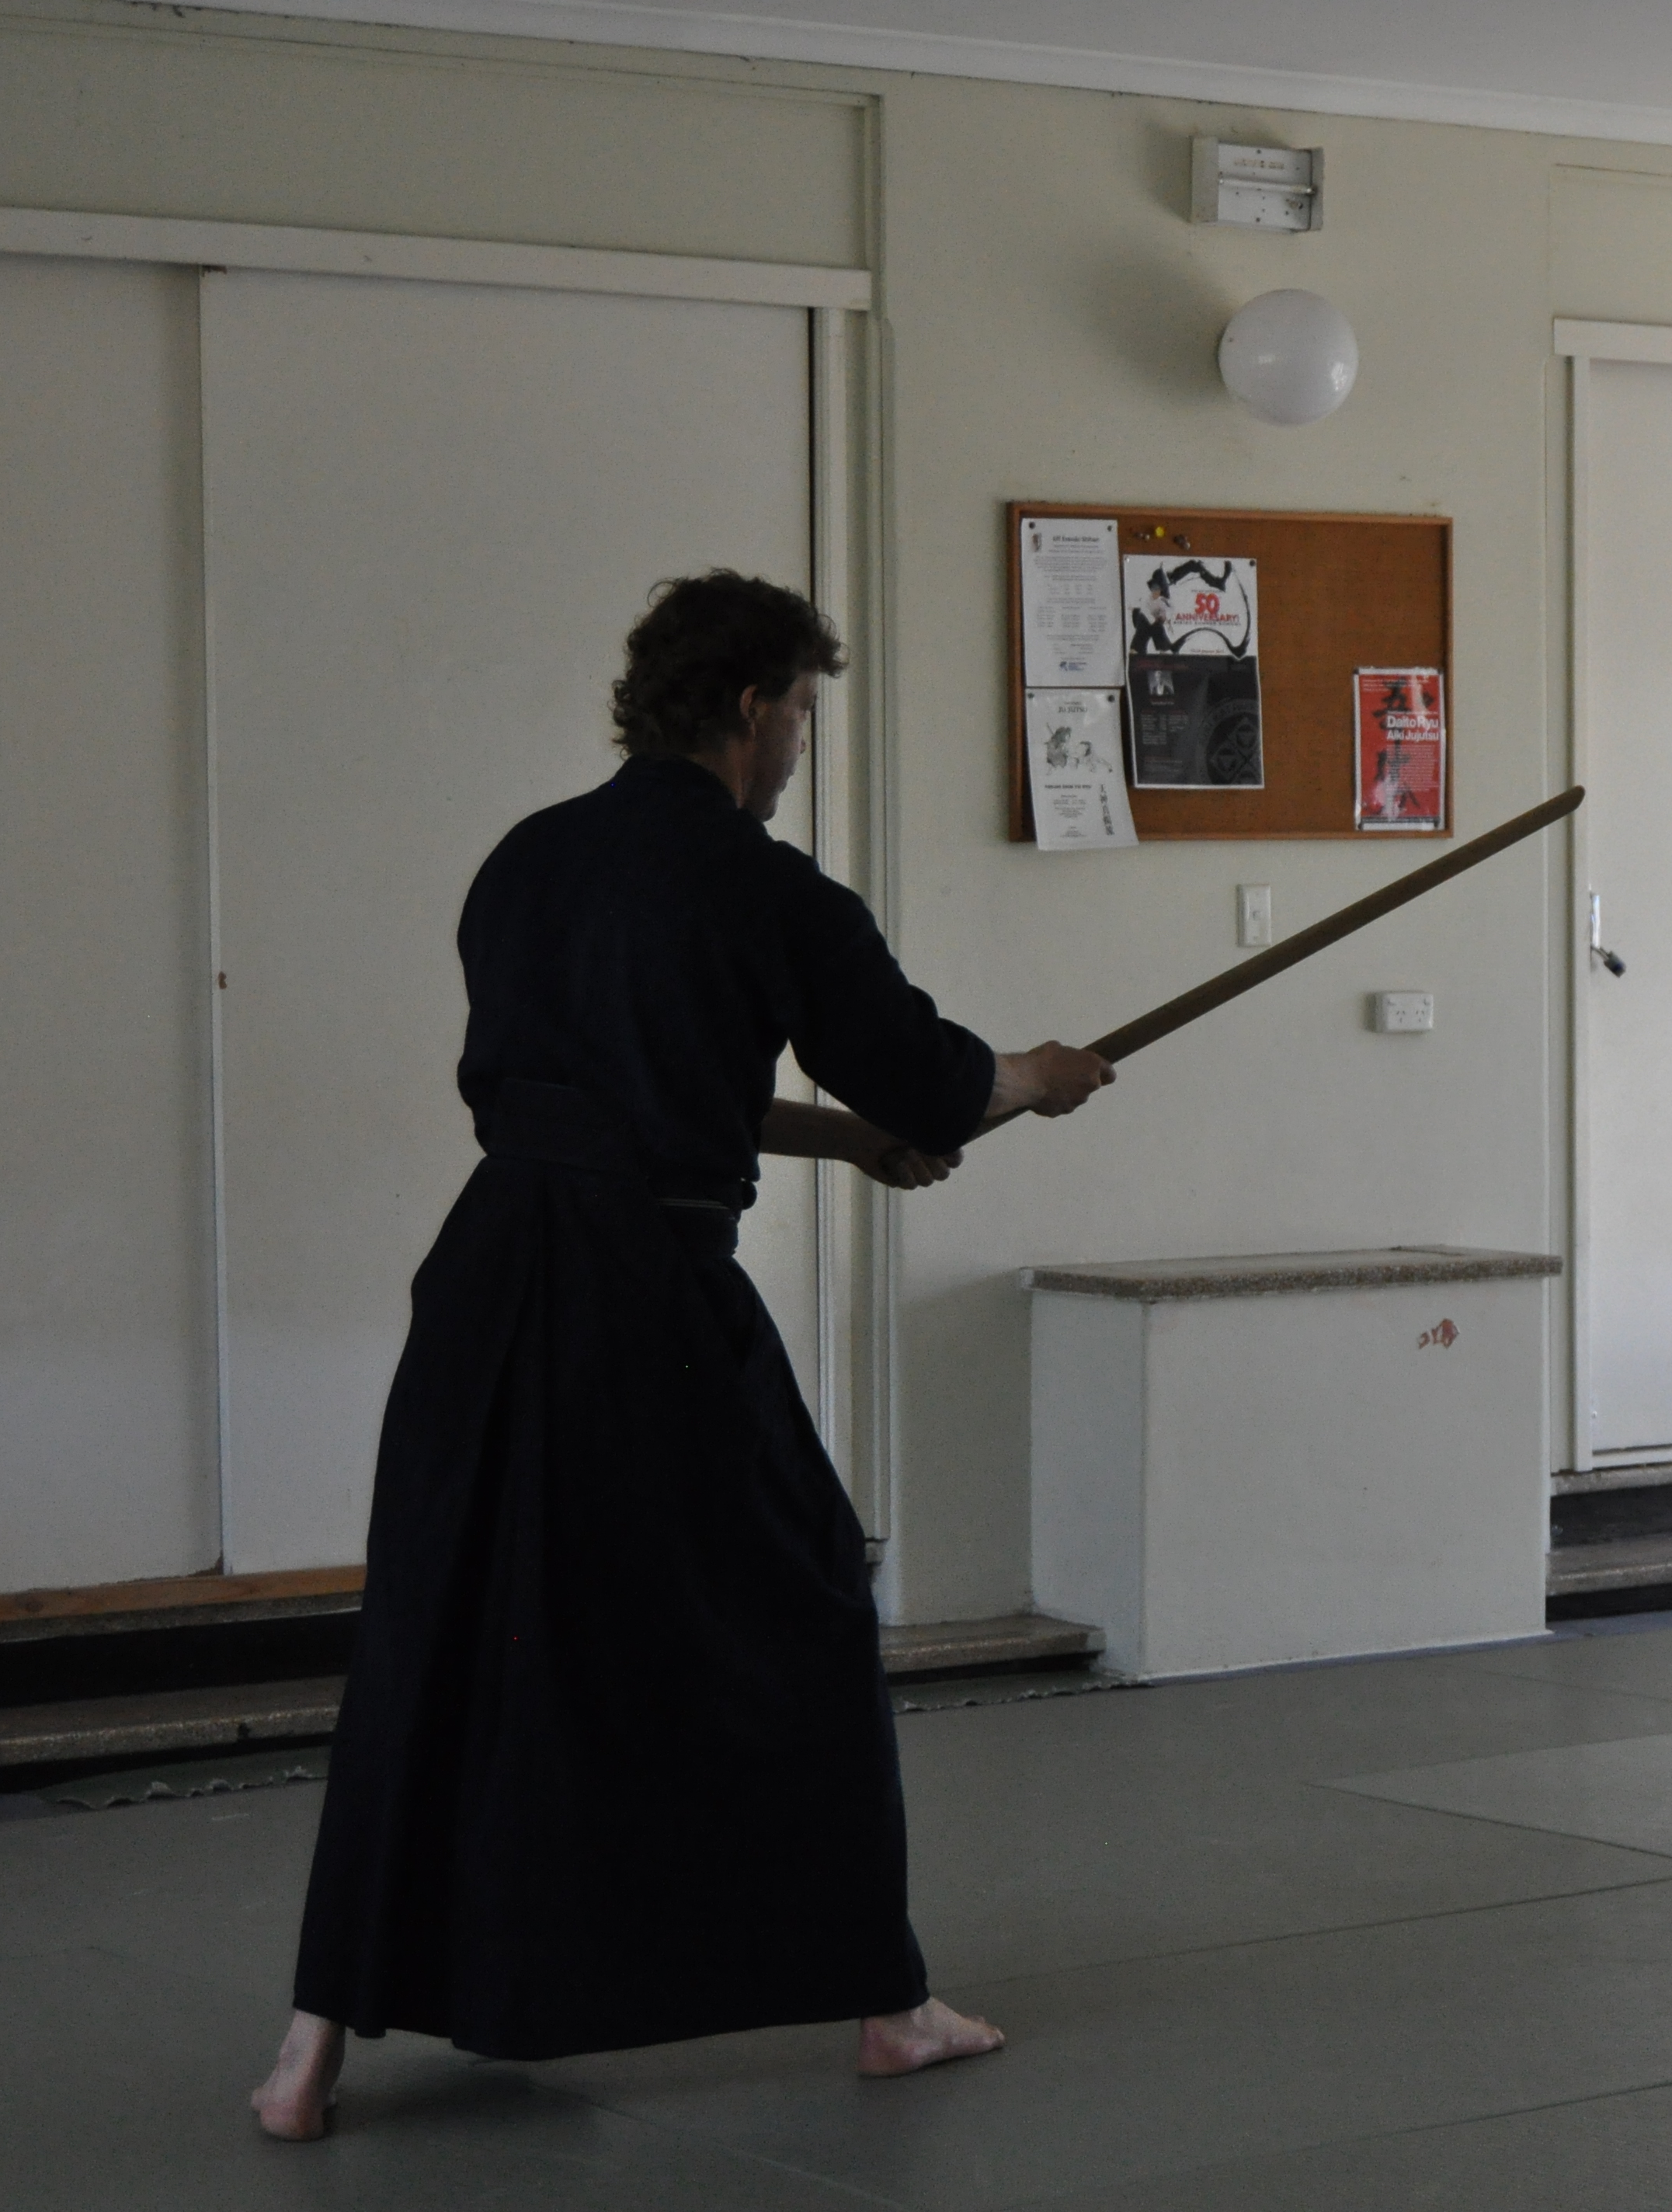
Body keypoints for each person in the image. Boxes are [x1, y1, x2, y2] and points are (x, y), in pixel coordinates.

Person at [251, 572, 1111, 2141]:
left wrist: (841, 1143)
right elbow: (931, 1079)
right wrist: (1035, 1072)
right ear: (750, 705)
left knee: (442, 1624)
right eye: (801, 711)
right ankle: (890, 2004)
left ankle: (307, 2052)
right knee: (806, 1598)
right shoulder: (764, 887)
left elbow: (614, 1089)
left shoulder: (528, 861)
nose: (799, 744)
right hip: (643, 1290)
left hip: (487, 1275)